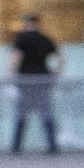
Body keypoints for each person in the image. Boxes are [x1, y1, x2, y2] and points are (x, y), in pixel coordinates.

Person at [7, 10, 62, 152]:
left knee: (21, 114)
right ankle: (52, 147)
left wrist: (11, 75)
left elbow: (16, 57)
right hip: (42, 80)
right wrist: (55, 74)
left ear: (26, 23)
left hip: (25, 81)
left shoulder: (21, 38)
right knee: (46, 113)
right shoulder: (45, 39)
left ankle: (16, 148)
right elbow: (61, 58)